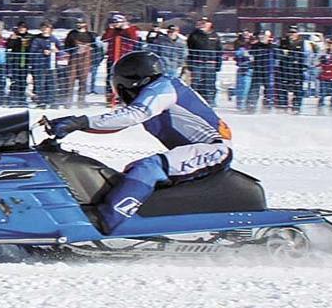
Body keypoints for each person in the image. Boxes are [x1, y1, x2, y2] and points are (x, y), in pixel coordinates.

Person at [47, 52, 232, 235]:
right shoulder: (161, 88)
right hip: (208, 148)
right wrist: (75, 126)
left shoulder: (161, 88)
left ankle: (104, 220)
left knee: (148, 168)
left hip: (214, 149)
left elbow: (133, 115)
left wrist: (80, 122)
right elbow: (117, 124)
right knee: (136, 168)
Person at [100, 13, 139, 103]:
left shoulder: (130, 30)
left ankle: (123, 97)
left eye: (117, 22)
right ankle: (110, 98)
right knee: (110, 78)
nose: (115, 24)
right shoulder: (112, 31)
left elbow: (134, 39)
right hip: (112, 58)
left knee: (124, 78)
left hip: (125, 58)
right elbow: (105, 39)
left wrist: (126, 28)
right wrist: (110, 29)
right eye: (114, 22)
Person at [185, 16, 221, 105]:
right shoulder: (194, 35)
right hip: (197, 63)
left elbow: (219, 51)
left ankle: (210, 103)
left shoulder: (215, 36)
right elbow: (188, 49)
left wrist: (218, 64)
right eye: (201, 22)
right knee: (196, 84)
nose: (203, 24)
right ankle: (193, 103)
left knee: (210, 85)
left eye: (205, 22)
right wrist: (190, 63)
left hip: (210, 64)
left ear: (210, 24)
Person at [62, 20, 95, 107]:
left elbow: (96, 47)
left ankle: (81, 102)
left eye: (81, 23)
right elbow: (66, 46)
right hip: (73, 59)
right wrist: (74, 48)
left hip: (85, 60)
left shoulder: (90, 35)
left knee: (83, 81)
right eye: (78, 23)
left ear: (85, 24)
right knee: (70, 80)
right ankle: (68, 102)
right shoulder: (72, 34)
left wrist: (88, 48)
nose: (79, 24)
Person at [28, 22, 61, 108]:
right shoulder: (36, 39)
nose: (45, 30)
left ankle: (52, 102)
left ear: (50, 29)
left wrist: (57, 51)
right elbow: (32, 52)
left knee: (52, 84)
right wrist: (42, 52)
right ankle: (41, 102)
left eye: (47, 28)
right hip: (39, 65)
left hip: (51, 65)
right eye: (43, 28)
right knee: (40, 84)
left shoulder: (54, 39)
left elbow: (62, 50)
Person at [5, 21, 34, 107]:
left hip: (25, 62)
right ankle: (13, 98)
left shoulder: (30, 37)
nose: (21, 29)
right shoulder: (14, 36)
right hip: (15, 62)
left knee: (23, 81)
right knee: (15, 80)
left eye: (23, 27)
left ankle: (22, 98)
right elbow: (8, 46)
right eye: (20, 27)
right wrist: (12, 39)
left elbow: (33, 46)